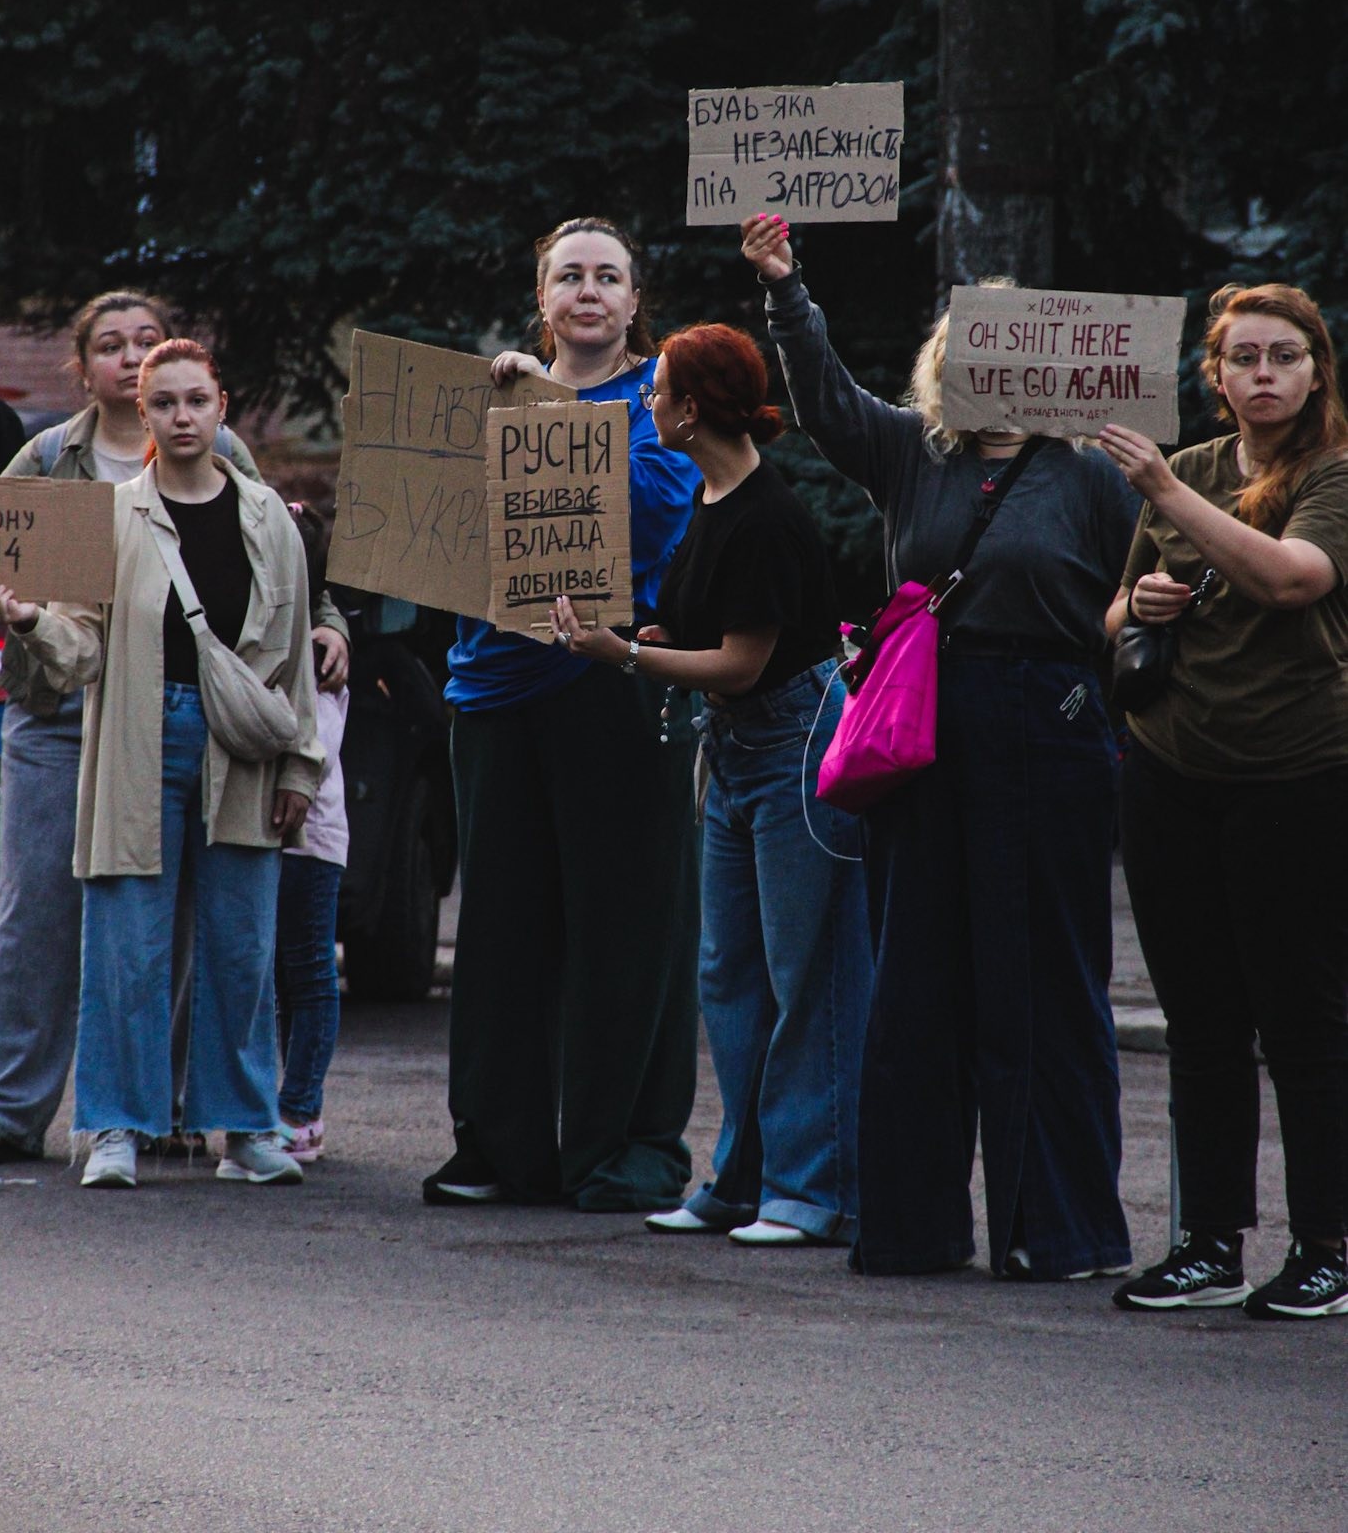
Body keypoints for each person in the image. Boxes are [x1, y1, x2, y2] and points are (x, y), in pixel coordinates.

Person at [742, 214, 1137, 1282]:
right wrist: (786, 287)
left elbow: (1134, 603)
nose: (990, 353)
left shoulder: (1096, 472)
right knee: (915, 980)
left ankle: (1057, 1229)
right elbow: (822, 398)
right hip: (927, 726)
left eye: (1010, 337)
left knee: (1046, 982)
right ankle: (912, 1228)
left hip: (1048, 726)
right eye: (973, 336)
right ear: (948, 359)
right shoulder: (916, 454)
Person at [0, 292, 348, 1166]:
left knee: (237, 943)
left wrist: (302, 766)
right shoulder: (98, 504)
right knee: (123, 942)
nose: (181, 414)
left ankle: (246, 1128)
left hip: (240, 748)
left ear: (221, 407)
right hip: (125, 735)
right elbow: (80, 645)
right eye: (163, 400)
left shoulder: (266, 515)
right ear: (138, 407)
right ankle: (113, 1126)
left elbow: (290, 648)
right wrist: (31, 621)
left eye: (196, 399)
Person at [552, 322, 873, 1246]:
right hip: (735, 754)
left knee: (804, 973)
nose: (645, 404)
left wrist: (624, 657)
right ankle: (741, 1180)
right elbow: (706, 637)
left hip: (790, 751)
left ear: (690, 410)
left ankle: (813, 1194)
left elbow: (740, 664)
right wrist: (652, 639)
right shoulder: (708, 494)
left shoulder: (766, 515)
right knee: (727, 974)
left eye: (656, 393)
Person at [422, 216, 699, 1213]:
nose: (589, 290)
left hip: (614, 683)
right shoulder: (481, 400)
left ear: (634, 301)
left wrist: (549, 415)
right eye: (569, 276)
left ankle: (621, 1150)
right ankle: (497, 1149)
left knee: (626, 927)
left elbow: (661, 515)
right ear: (542, 300)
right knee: (499, 929)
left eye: (609, 276)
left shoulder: (662, 395)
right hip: (495, 686)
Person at [1102, 284, 1348, 1320]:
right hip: (1171, 769)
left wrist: (1163, 488)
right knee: (1201, 1018)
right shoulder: (1194, 470)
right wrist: (1140, 603)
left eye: (1282, 356)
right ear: (1215, 375)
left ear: (1314, 369)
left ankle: (1326, 1245)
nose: (1262, 374)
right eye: (1242, 357)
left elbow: (1294, 577)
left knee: (1302, 1017)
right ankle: (1209, 1241)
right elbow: (1116, 609)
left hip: (1295, 773)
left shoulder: (1330, 471)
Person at [276, 502, 348, 1165]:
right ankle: (285, 1102)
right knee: (276, 973)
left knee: (307, 971)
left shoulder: (320, 651)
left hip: (308, 839)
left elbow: (312, 747)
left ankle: (302, 1110)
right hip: (271, 837)